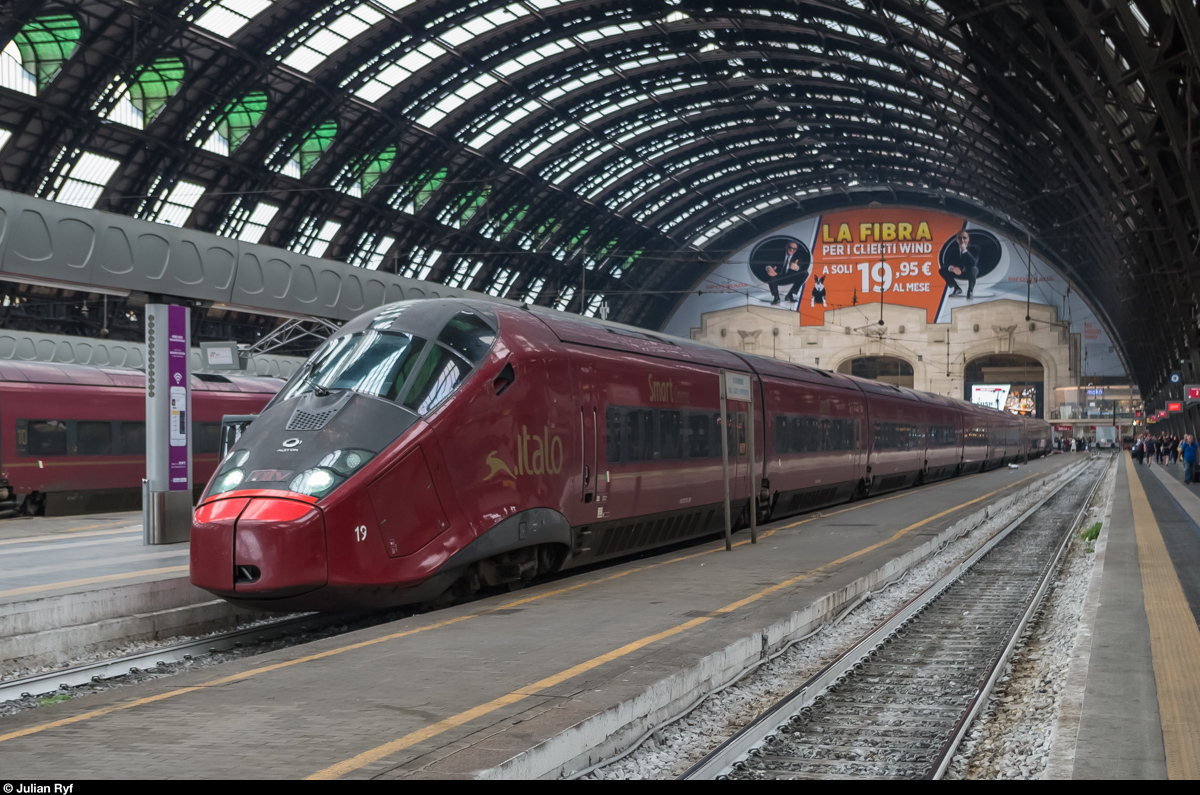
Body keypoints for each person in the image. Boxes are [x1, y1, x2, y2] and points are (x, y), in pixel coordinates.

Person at [766, 240, 809, 305]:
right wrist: (768, 268)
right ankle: (776, 297)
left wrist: (796, 268)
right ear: (786, 247)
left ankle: (790, 294)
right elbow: (769, 262)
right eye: (790, 247)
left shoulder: (798, 256)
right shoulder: (778, 253)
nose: (792, 250)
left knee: (805, 273)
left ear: (796, 250)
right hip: (777, 276)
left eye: (794, 249)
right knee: (771, 275)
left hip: (789, 277)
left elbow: (800, 267)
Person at [940, 229, 980, 299]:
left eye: (964, 238)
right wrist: (952, 268)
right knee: (942, 270)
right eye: (959, 238)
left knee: (974, 269)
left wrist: (964, 250)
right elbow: (946, 264)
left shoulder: (975, 248)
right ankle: (957, 288)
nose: (962, 240)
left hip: (970, 272)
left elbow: (973, 262)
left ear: (968, 239)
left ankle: (970, 291)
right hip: (958, 272)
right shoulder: (952, 250)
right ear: (956, 240)